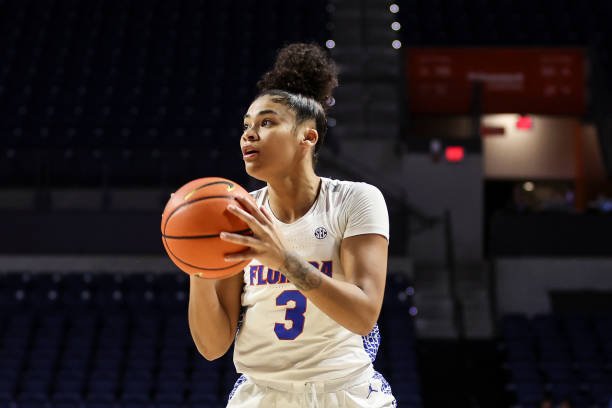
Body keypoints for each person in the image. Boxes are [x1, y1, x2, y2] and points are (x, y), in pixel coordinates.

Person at [188, 43, 396, 408]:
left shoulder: (356, 200)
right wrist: (197, 266)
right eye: (246, 125)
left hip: (343, 392)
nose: (249, 134)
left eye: (267, 122)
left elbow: (364, 316)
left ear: (308, 136)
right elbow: (212, 346)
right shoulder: (237, 213)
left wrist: (284, 260)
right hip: (263, 395)